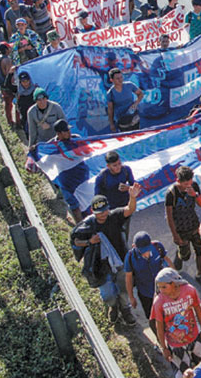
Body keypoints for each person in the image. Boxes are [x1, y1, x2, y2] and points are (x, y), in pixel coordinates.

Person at [70, 187, 141, 325]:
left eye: (105, 211)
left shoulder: (114, 216)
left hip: (120, 262)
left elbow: (129, 209)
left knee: (124, 289)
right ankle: (113, 307)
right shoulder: (88, 225)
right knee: (108, 294)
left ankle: (125, 309)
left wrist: (132, 197)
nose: (103, 215)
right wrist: (89, 242)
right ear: (92, 212)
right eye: (99, 213)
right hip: (100, 266)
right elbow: (76, 241)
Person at [152, 267, 201, 378]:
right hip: (175, 344)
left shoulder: (189, 290)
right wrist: (164, 347)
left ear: (174, 283)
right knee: (184, 372)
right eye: (159, 287)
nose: (161, 290)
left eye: (164, 287)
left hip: (193, 337)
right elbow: (159, 325)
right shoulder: (159, 301)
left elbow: (197, 308)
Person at [124, 231, 172, 334]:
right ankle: (160, 340)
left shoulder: (157, 247)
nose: (146, 253)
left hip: (163, 290)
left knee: (169, 314)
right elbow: (128, 278)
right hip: (146, 294)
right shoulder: (130, 257)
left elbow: (167, 260)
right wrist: (131, 297)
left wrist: (177, 279)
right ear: (134, 246)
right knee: (152, 318)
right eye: (142, 251)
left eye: (147, 249)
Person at [166, 166, 201, 281]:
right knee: (185, 256)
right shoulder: (171, 194)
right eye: (185, 185)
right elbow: (169, 217)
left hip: (194, 226)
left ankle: (199, 274)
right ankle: (179, 255)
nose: (187, 187)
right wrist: (175, 236)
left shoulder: (194, 186)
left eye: (189, 183)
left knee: (200, 251)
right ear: (178, 181)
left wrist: (195, 195)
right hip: (181, 230)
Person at [49, 120, 88, 224]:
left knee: (87, 204)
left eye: (69, 130)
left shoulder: (76, 139)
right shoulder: (52, 146)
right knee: (75, 207)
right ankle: (82, 228)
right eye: (66, 131)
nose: (69, 133)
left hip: (81, 178)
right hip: (66, 182)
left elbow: (88, 152)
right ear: (59, 134)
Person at [106, 68, 144, 132]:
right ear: (111, 80)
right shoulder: (110, 93)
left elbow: (140, 94)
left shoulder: (129, 85)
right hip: (122, 120)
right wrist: (111, 124)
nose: (120, 80)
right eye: (117, 78)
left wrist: (136, 103)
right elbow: (110, 110)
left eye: (121, 77)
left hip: (133, 116)